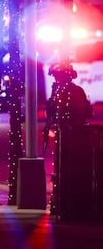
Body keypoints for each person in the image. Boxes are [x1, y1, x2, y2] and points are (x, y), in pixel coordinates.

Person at [43, 61, 92, 214]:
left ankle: (68, 202)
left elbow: (81, 114)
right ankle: (60, 200)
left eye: (59, 76)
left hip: (73, 136)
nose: (57, 80)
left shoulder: (75, 91)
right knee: (59, 167)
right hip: (62, 135)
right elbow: (52, 114)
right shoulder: (57, 91)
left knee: (70, 168)